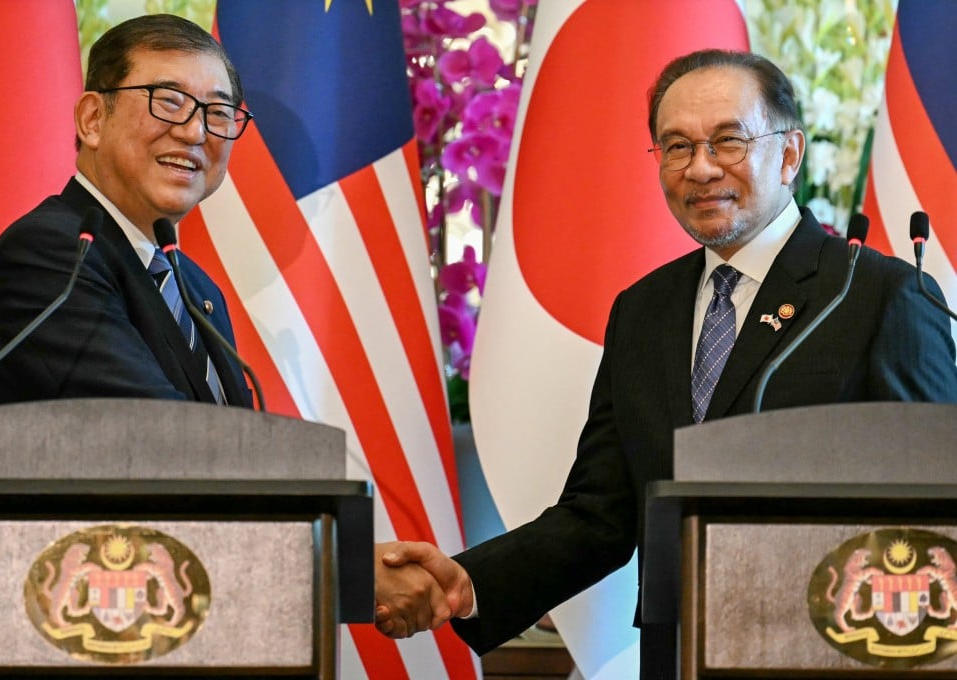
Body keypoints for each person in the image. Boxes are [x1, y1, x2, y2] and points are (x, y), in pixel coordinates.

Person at [372, 49, 957, 678]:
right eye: (675, 147)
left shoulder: (876, 294)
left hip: (836, 652)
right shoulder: (643, 310)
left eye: (728, 141)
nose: (700, 168)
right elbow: (599, 513)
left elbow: (931, 507)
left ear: (789, 154)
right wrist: (464, 580)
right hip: (678, 653)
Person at [0, 14, 254, 408]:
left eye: (218, 113)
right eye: (169, 101)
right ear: (93, 119)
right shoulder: (48, 256)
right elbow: (158, 433)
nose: (195, 132)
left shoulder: (199, 291)